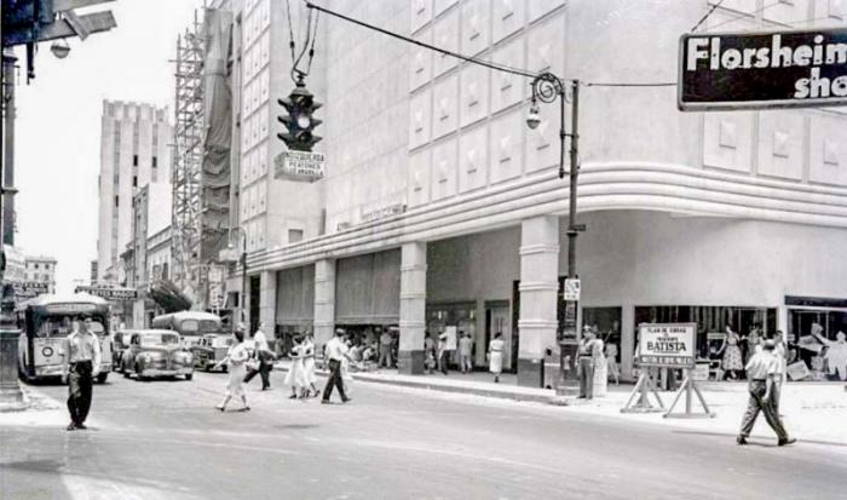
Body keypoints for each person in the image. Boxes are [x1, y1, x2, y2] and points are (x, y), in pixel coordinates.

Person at [737, 340, 795, 446]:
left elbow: (748, 371)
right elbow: (770, 376)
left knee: (751, 411)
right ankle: (783, 436)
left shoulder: (756, 356)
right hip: (764, 385)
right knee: (771, 412)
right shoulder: (773, 359)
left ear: (763, 347)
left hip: (754, 383)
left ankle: (742, 434)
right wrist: (768, 393)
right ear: (773, 349)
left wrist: (750, 385)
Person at [61, 317, 102, 431]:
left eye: (90, 322)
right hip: (75, 367)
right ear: (80, 322)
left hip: (87, 366)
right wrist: (64, 372)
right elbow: (66, 356)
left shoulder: (93, 337)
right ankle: (74, 418)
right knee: (73, 395)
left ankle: (80, 420)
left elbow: (97, 353)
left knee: (86, 396)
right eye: (86, 322)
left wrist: (96, 367)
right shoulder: (70, 338)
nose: (89, 324)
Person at [214, 327, 250, 412]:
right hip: (233, 369)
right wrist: (219, 363)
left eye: (233, 336)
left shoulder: (241, 347)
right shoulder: (232, 347)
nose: (232, 337)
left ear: (237, 338)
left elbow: (246, 357)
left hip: (239, 369)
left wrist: (238, 361)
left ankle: (223, 404)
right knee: (239, 387)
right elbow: (228, 357)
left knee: (231, 386)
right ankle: (246, 404)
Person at [322, 328, 352, 404]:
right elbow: (345, 353)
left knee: (338, 380)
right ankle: (325, 398)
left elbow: (326, 354)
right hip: (336, 362)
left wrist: (324, 363)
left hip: (331, 362)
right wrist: (353, 362)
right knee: (331, 381)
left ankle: (343, 397)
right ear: (342, 336)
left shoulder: (330, 342)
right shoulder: (339, 343)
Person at [244, 322, 276, 390]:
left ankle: (245, 379)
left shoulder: (262, 335)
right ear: (259, 327)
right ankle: (266, 385)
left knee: (257, 369)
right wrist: (256, 355)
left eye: (264, 326)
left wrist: (270, 352)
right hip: (260, 353)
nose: (264, 328)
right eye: (263, 326)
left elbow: (265, 346)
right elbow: (257, 346)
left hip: (263, 353)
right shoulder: (258, 335)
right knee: (264, 369)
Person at [577, 326, 597, 399]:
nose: (586, 334)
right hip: (582, 359)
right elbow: (578, 351)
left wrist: (593, 362)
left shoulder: (593, 342)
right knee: (582, 377)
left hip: (589, 358)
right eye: (585, 332)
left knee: (589, 378)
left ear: (591, 333)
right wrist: (577, 360)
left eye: (588, 332)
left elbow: (594, 352)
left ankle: (589, 394)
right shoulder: (581, 341)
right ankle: (582, 393)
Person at [592, 333, 607, 397]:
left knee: (596, 375)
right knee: (601, 375)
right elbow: (599, 350)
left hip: (595, 359)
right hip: (600, 358)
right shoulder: (600, 342)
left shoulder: (594, 342)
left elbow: (594, 351)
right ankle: (600, 392)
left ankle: (596, 391)